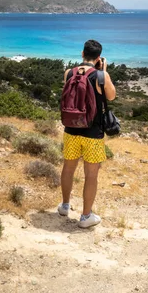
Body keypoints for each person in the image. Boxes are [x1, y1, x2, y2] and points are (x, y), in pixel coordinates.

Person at [58, 39, 116, 228]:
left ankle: (65, 206)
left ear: (82, 54)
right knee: (91, 175)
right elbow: (111, 96)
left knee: (68, 168)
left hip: (71, 129)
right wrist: (104, 71)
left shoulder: (69, 73)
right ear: (99, 58)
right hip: (93, 132)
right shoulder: (101, 75)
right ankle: (85, 217)